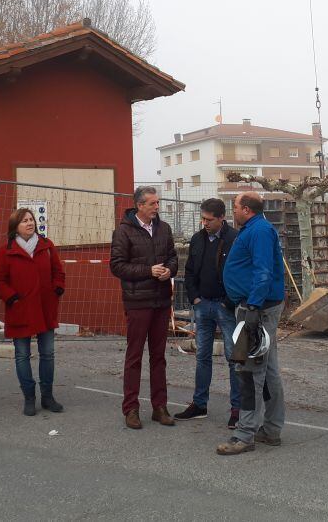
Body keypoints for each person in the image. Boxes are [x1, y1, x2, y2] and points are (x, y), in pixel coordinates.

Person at [217, 191, 286, 455]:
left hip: (256, 308)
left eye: (234, 207)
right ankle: (271, 428)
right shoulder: (257, 229)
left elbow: (263, 270)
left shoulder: (258, 231)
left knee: (249, 371)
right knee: (268, 370)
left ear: (246, 209)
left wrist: (254, 306)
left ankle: (245, 434)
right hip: (256, 305)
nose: (232, 211)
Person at [109, 185, 178, 429]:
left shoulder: (164, 228)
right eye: (153, 204)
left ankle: (160, 407)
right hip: (138, 302)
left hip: (160, 300)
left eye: (157, 203)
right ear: (140, 205)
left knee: (159, 357)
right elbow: (117, 266)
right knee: (134, 356)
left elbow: (173, 258)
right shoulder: (123, 232)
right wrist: (148, 271)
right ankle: (131, 408)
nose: (157, 207)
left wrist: (169, 269)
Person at [174, 197, 240, 428]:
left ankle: (237, 409)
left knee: (234, 359)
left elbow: (240, 273)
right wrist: (195, 298)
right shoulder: (197, 239)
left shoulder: (234, 239)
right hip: (203, 306)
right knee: (202, 357)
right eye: (202, 218)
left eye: (209, 219)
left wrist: (228, 302)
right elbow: (190, 271)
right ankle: (199, 404)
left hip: (226, 307)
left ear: (222, 218)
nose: (205, 223)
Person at [0, 208, 66, 416]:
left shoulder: (47, 245)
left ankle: (48, 396)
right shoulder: (5, 250)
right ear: (15, 226)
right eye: (24, 220)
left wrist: (57, 287)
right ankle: (29, 397)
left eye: (31, 219)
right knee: (22, 355)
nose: (29, 223)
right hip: (20, 310)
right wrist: (11, 297)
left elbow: (58, 271)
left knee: (48, 354)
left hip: (45, 308)